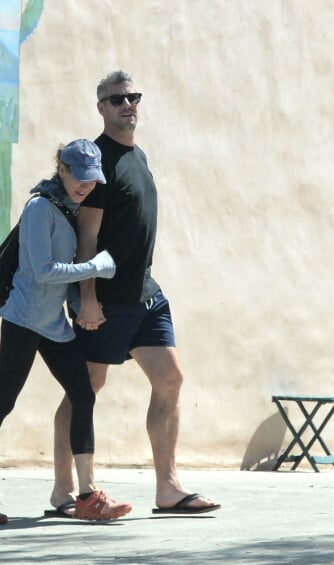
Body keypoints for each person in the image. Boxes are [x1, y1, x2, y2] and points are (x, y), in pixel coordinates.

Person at [50, 72, 221, 515]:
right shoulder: (96, 162)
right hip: (106, 300)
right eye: (117, 99)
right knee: (85, 387)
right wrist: (86, 298)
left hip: (146, 294)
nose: (128, 105)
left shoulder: (137, 155)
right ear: (101, 108)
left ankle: (168, 488)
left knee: (170, 378)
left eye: (133, 97)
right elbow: (87, 237)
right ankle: (64, 492)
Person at [0, 139, 133, 524]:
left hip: (54, 325)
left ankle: (87, 496)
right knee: (2, 403)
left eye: (91, 180)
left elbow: (58, 279)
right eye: (79, 177)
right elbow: (42, 271)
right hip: (22, 321)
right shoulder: (40, 207)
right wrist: (96, 267)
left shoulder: (70, 208)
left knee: (83, 395)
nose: (85, 186)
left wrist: (85, 304)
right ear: (62, 170)